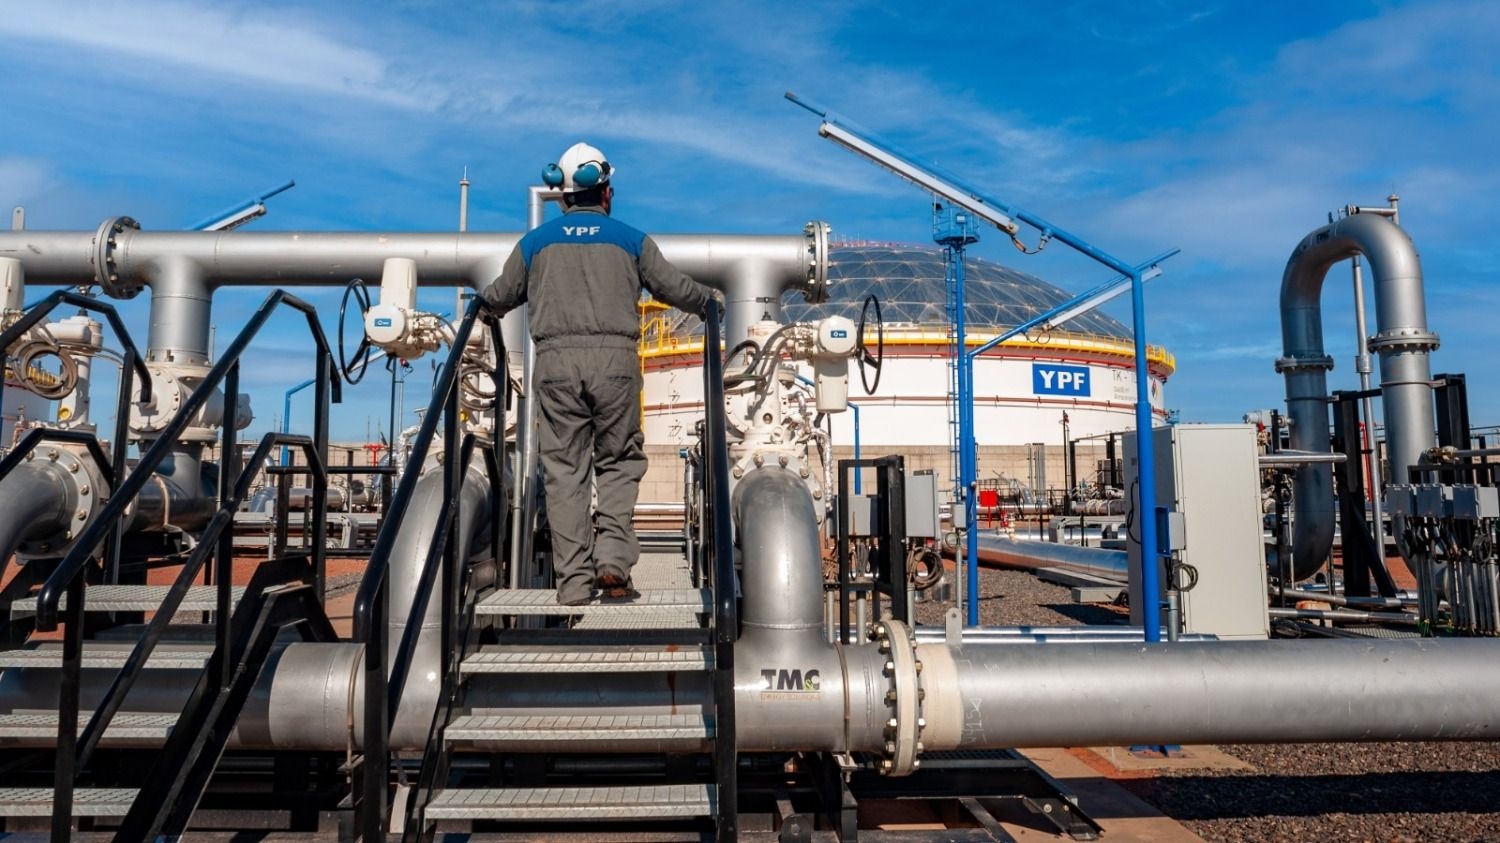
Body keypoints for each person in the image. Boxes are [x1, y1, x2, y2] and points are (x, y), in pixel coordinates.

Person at [482, 142, 719, 605]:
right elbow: (674, 287)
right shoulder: (632, 240)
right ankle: (612, 561)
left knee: (564, 470)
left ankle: (573, 582)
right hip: (615, 365)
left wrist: (482, 308)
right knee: (618, 462)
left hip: (555, 364)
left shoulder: (534, 244)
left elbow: (499, 295)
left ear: (562, 197)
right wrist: (710, 304)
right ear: (606, 192)